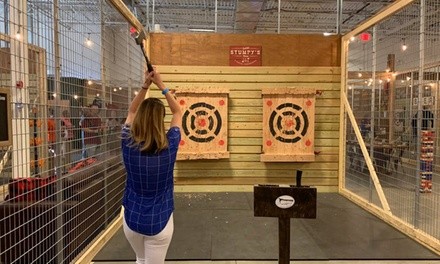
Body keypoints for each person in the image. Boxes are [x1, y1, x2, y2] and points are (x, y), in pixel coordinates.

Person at [121, 67, 182, 264]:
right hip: (160, 221)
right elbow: (178, 111)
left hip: (131, 220)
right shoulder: (170, 144)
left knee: (140, 259)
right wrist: (161, 85)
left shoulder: (127, 141)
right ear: (160, 119)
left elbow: (131, 110)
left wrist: (145, 85)